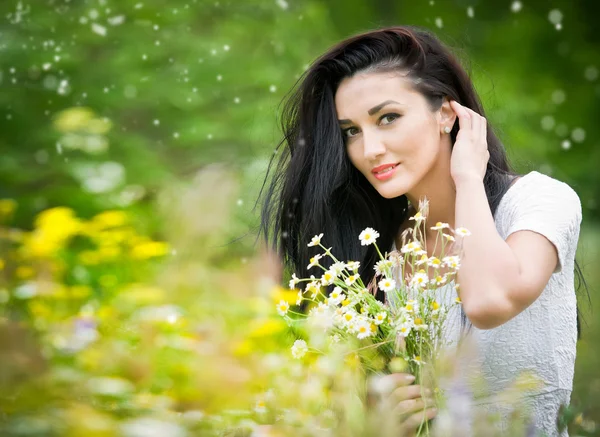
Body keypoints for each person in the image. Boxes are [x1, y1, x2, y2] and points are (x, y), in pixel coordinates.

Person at [258, 25, 586, 436]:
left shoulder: (539, 202)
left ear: (447, 113)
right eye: (351, 132)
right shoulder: (374, 262)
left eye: (388, 118)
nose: (369, 148)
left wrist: (468, 178)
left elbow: (488, 301)